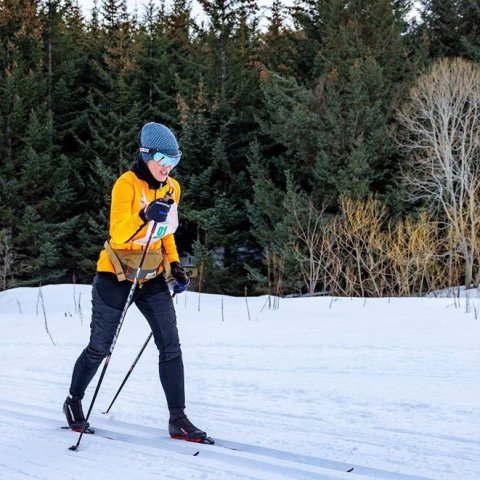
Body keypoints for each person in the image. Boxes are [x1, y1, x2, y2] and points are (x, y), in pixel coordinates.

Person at [63, 122, 212, 444]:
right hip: (114, 275)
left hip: (152, 276)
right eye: (162, 159)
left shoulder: (173, 187)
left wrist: (174, 265)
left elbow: (166, 234)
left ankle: (178, 418)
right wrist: (145, 215)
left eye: (175, 160)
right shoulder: (126, 185)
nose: (168, 167)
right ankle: (74, 401)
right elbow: (118, 232)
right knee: (100, 347)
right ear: (146, 156)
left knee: (170, 346)